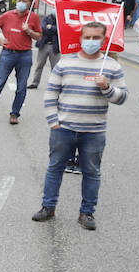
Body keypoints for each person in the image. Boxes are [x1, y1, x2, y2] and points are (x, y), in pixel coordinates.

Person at [31, 21, 127, 231]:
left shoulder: (111, 66)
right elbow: (51, 93)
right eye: (87, 37)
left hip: (94, 131)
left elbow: (122, 98)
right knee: (55, 168)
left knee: (92, 172)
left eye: (96, 38)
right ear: (80, 38)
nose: (91, 41)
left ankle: (87, 212)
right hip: (63, 129)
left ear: (104, 40)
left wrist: (107, 87)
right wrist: (53, 122)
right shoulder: (65, 63)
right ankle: (48, 207)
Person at [0, 0, 41, 124]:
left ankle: (15, 114)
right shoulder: (8, 15)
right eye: (20, 0)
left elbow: (39, 36)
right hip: (7, 54)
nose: (21, 3)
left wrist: (29, 31)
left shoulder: (34, 17)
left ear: (30, 4)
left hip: (25, 55)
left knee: (21, 87)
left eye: (25, 1)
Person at [28, 9, 60, 89]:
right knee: (39, 65)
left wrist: (51, 27)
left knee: (55, 67)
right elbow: (42, 28)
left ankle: (55, 84)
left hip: (55, 46)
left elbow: (60, 30)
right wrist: (53, 29)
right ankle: (35, 82)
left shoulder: (60, 19)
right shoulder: (46, 18)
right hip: (44, 45)